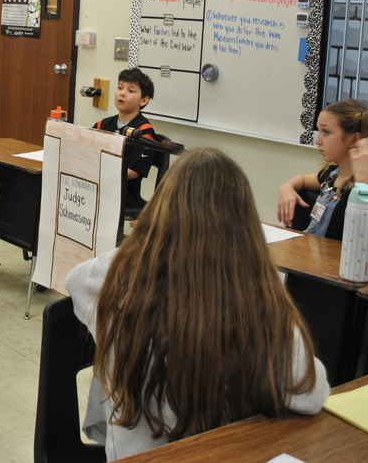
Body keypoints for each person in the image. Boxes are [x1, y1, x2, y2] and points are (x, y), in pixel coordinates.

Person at [66, 148, 329, 460]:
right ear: (243, 222)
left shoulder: (115, 273)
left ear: (162, 207)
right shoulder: (258, 290)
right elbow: (310, 395)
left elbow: (75, 281)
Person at [276, 98, 368, 240]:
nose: (318, 140)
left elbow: (366, 240)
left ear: (354, 140)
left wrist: (363, 182)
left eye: (326, 132)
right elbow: (302, 179)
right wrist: (287, 187)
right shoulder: (333, 174)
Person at [93, 68, 156, 211]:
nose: (122, 93)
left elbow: (133, 171)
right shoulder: (102, 125)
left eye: (131, 91)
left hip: (124, 196)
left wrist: (102, 172)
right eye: (120, 87)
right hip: (97, 187)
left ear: (144, 100)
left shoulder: (144, 131)